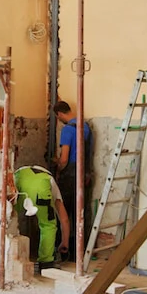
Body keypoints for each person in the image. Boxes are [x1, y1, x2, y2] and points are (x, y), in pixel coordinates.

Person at [53, 101, 92, 259]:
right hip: (85, 174)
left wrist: (57, 166)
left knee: (64, 213)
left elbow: (64, 159)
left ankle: (65, 250)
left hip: (70, 176)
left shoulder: (67, 130)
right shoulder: (86, 127)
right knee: (80, 212)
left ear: (60, 114)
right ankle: (80, 251)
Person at [12, 165, 69, 274]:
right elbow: (64, 219)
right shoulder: (51, 182)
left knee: (12, 215)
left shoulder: (23, 170)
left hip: (19, 177)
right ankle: (46, 263)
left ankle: (9, 252)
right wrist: (65, 243)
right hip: (41, 186)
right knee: (48, 224)